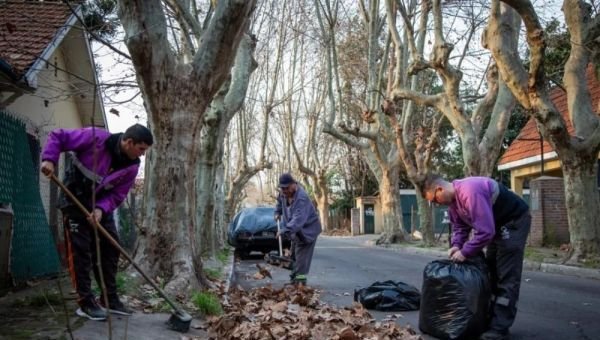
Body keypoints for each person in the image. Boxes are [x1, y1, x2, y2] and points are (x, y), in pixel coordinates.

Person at [40, 124, 153, 321]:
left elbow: (118, 194)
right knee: (81, 251)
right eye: (141, 149)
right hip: (73, 199)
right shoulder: (95, 138)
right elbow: (58, 135)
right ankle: (85, 302)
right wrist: (49, 159)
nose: (142, 155)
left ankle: (109, 299)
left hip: (99, 206)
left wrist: (101, 209)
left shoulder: (132, 167)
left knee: (111, 247)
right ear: (128, 142)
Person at [422, 174, 530, 340]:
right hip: (496, 225)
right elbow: (459, 227)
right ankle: (490, 319)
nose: (437, 204)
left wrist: (465, 252)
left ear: (440, 188)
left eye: (435, 200)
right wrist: (456, 245)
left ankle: (499, 328)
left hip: (513, 222)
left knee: (506, 276)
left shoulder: (470, 191)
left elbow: (486, 232)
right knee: (492, 272)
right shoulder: (453, 203)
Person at [274, 173, 321, 285]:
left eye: (287, 188)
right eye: (282, 188)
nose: (285, 191)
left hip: (308, 231)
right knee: (294, 256)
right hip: (295, 232)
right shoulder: (283, 194)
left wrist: (284, 230)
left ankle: (300, 283)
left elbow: (298, 220)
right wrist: (277, 212)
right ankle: (294, 278)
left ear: (294, 184)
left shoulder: (301, 198)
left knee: (301, 258)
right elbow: (279, 203)